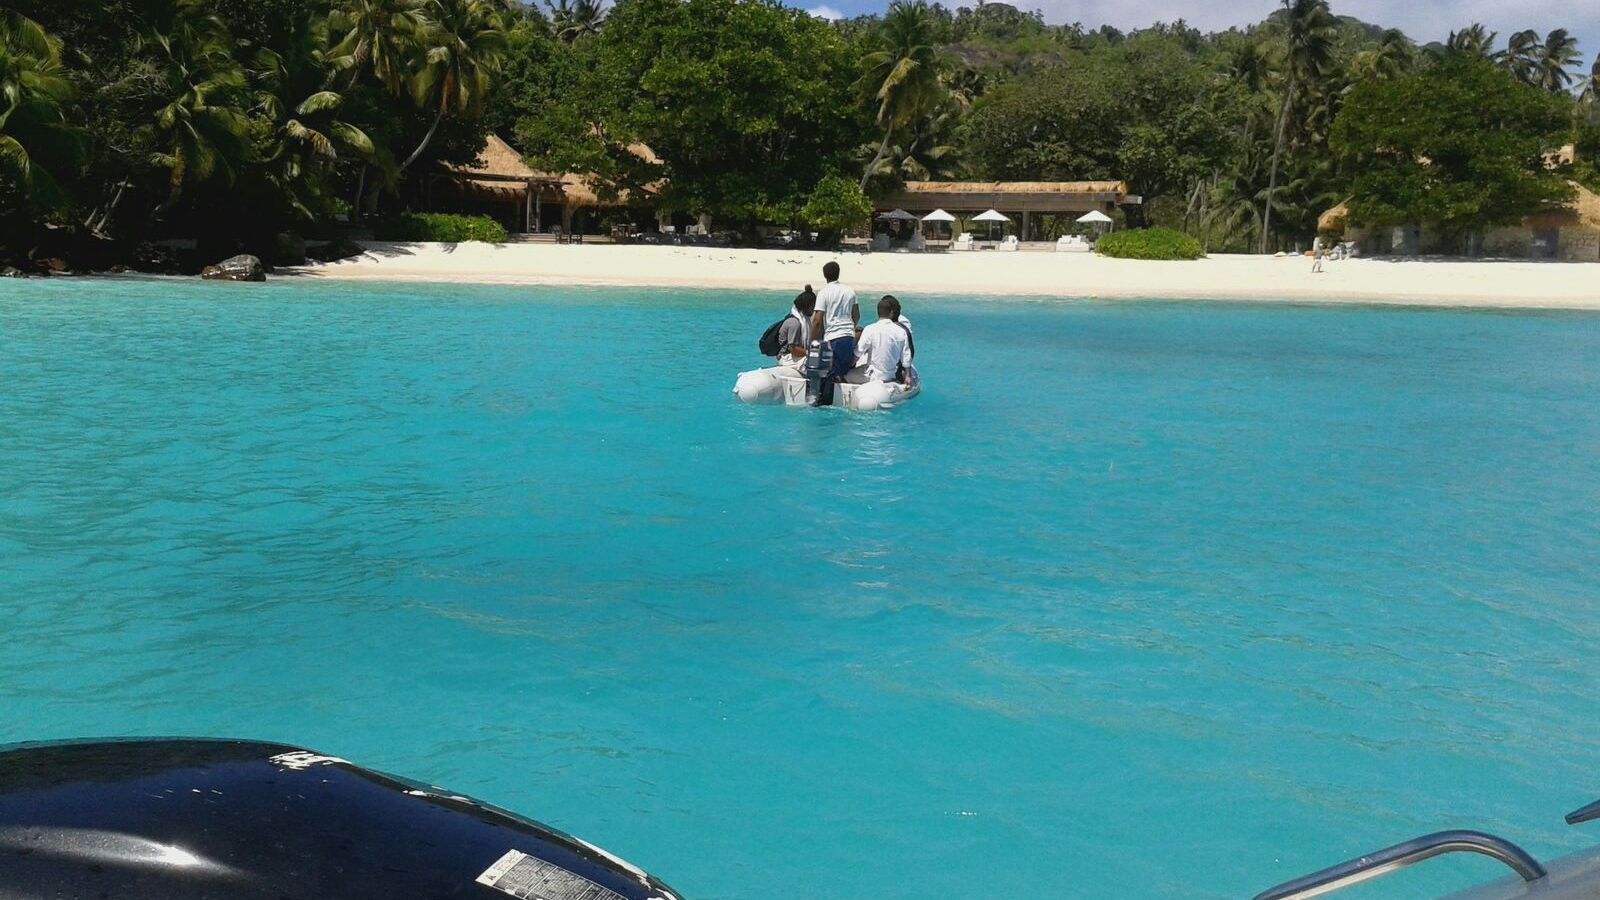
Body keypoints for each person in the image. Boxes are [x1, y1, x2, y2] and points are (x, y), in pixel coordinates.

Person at [847, 295, 913, 385]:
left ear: (878, 313)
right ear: (891, 313)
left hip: (872, 375)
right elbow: (906, 357)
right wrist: (907, 376)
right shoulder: (901, 331)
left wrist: (849, 366)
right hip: (890, 376)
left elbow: (858, 353)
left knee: (845, 375)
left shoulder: (870, 329)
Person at [811, 261, 858, 382]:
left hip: (832, 337)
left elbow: (817, 320)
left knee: (832, 373)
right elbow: (856, 315)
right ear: (838, 273)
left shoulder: (823, 293)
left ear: (825, 275)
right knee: (842, 371)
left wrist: (812, 341)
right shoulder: (850, 291)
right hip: (848, 336)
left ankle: (827, 397)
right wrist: (851, 327)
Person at [774, 286, 815, 371]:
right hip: (786, 357)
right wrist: (810, 353)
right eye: (812, 306)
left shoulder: (806, 320)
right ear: (806, 306)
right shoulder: (794, 323)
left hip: (797, 356)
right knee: (814, 364)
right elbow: (793, 349)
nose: (814, 309)